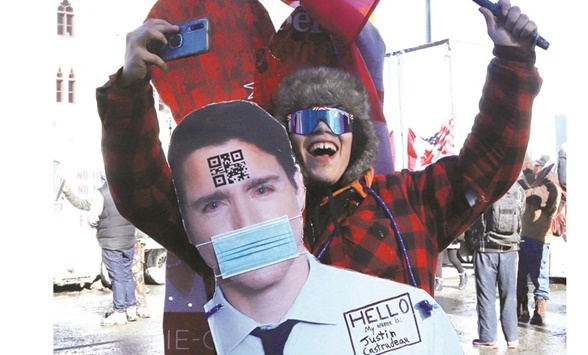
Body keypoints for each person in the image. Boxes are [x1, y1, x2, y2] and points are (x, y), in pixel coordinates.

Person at [95, 0, 543, 298]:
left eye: (338, 117)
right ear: (284, 137)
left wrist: (512, 59)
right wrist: (130, 89)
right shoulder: (248, 227)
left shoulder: (409, 203)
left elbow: (488, 165)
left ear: (358, 134)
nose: (322, 129)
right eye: (306, 118)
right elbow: (145, 196)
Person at [167, 100, 463, 354]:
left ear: (298, 188)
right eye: (214, 205)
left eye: (261, 190)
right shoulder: (190, 343)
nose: (245, 222)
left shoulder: (413, 323)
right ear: (186, 225)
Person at [62, 181, 151, 321]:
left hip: (111, 243)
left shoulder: (102, 192)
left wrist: (97, 226)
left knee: (117, 277)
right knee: (127, 274)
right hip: (129, 240)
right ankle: (131, 309)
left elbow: (92, 218)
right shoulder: (129, 191)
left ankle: (119, 312)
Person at [469, 180, 525, 349]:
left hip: (485, 248)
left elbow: (469, 211)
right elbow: (520, 214)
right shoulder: (519, 189)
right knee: (509, 295)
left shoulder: (480, 186)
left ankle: (488, 337)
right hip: (510, 249)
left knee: (486, 296)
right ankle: (512, 338)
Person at [516, 155, 562, 326]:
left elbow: (533, 196)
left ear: (542, 168)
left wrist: (519, 188)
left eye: (536, 166)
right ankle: (523, 309)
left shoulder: (551, 187)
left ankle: (539, 311)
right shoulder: (539, 182)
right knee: (521, 275)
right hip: (527, 235)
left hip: (539, 239)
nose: (533, 169)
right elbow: (526, 167)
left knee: (538, 276)